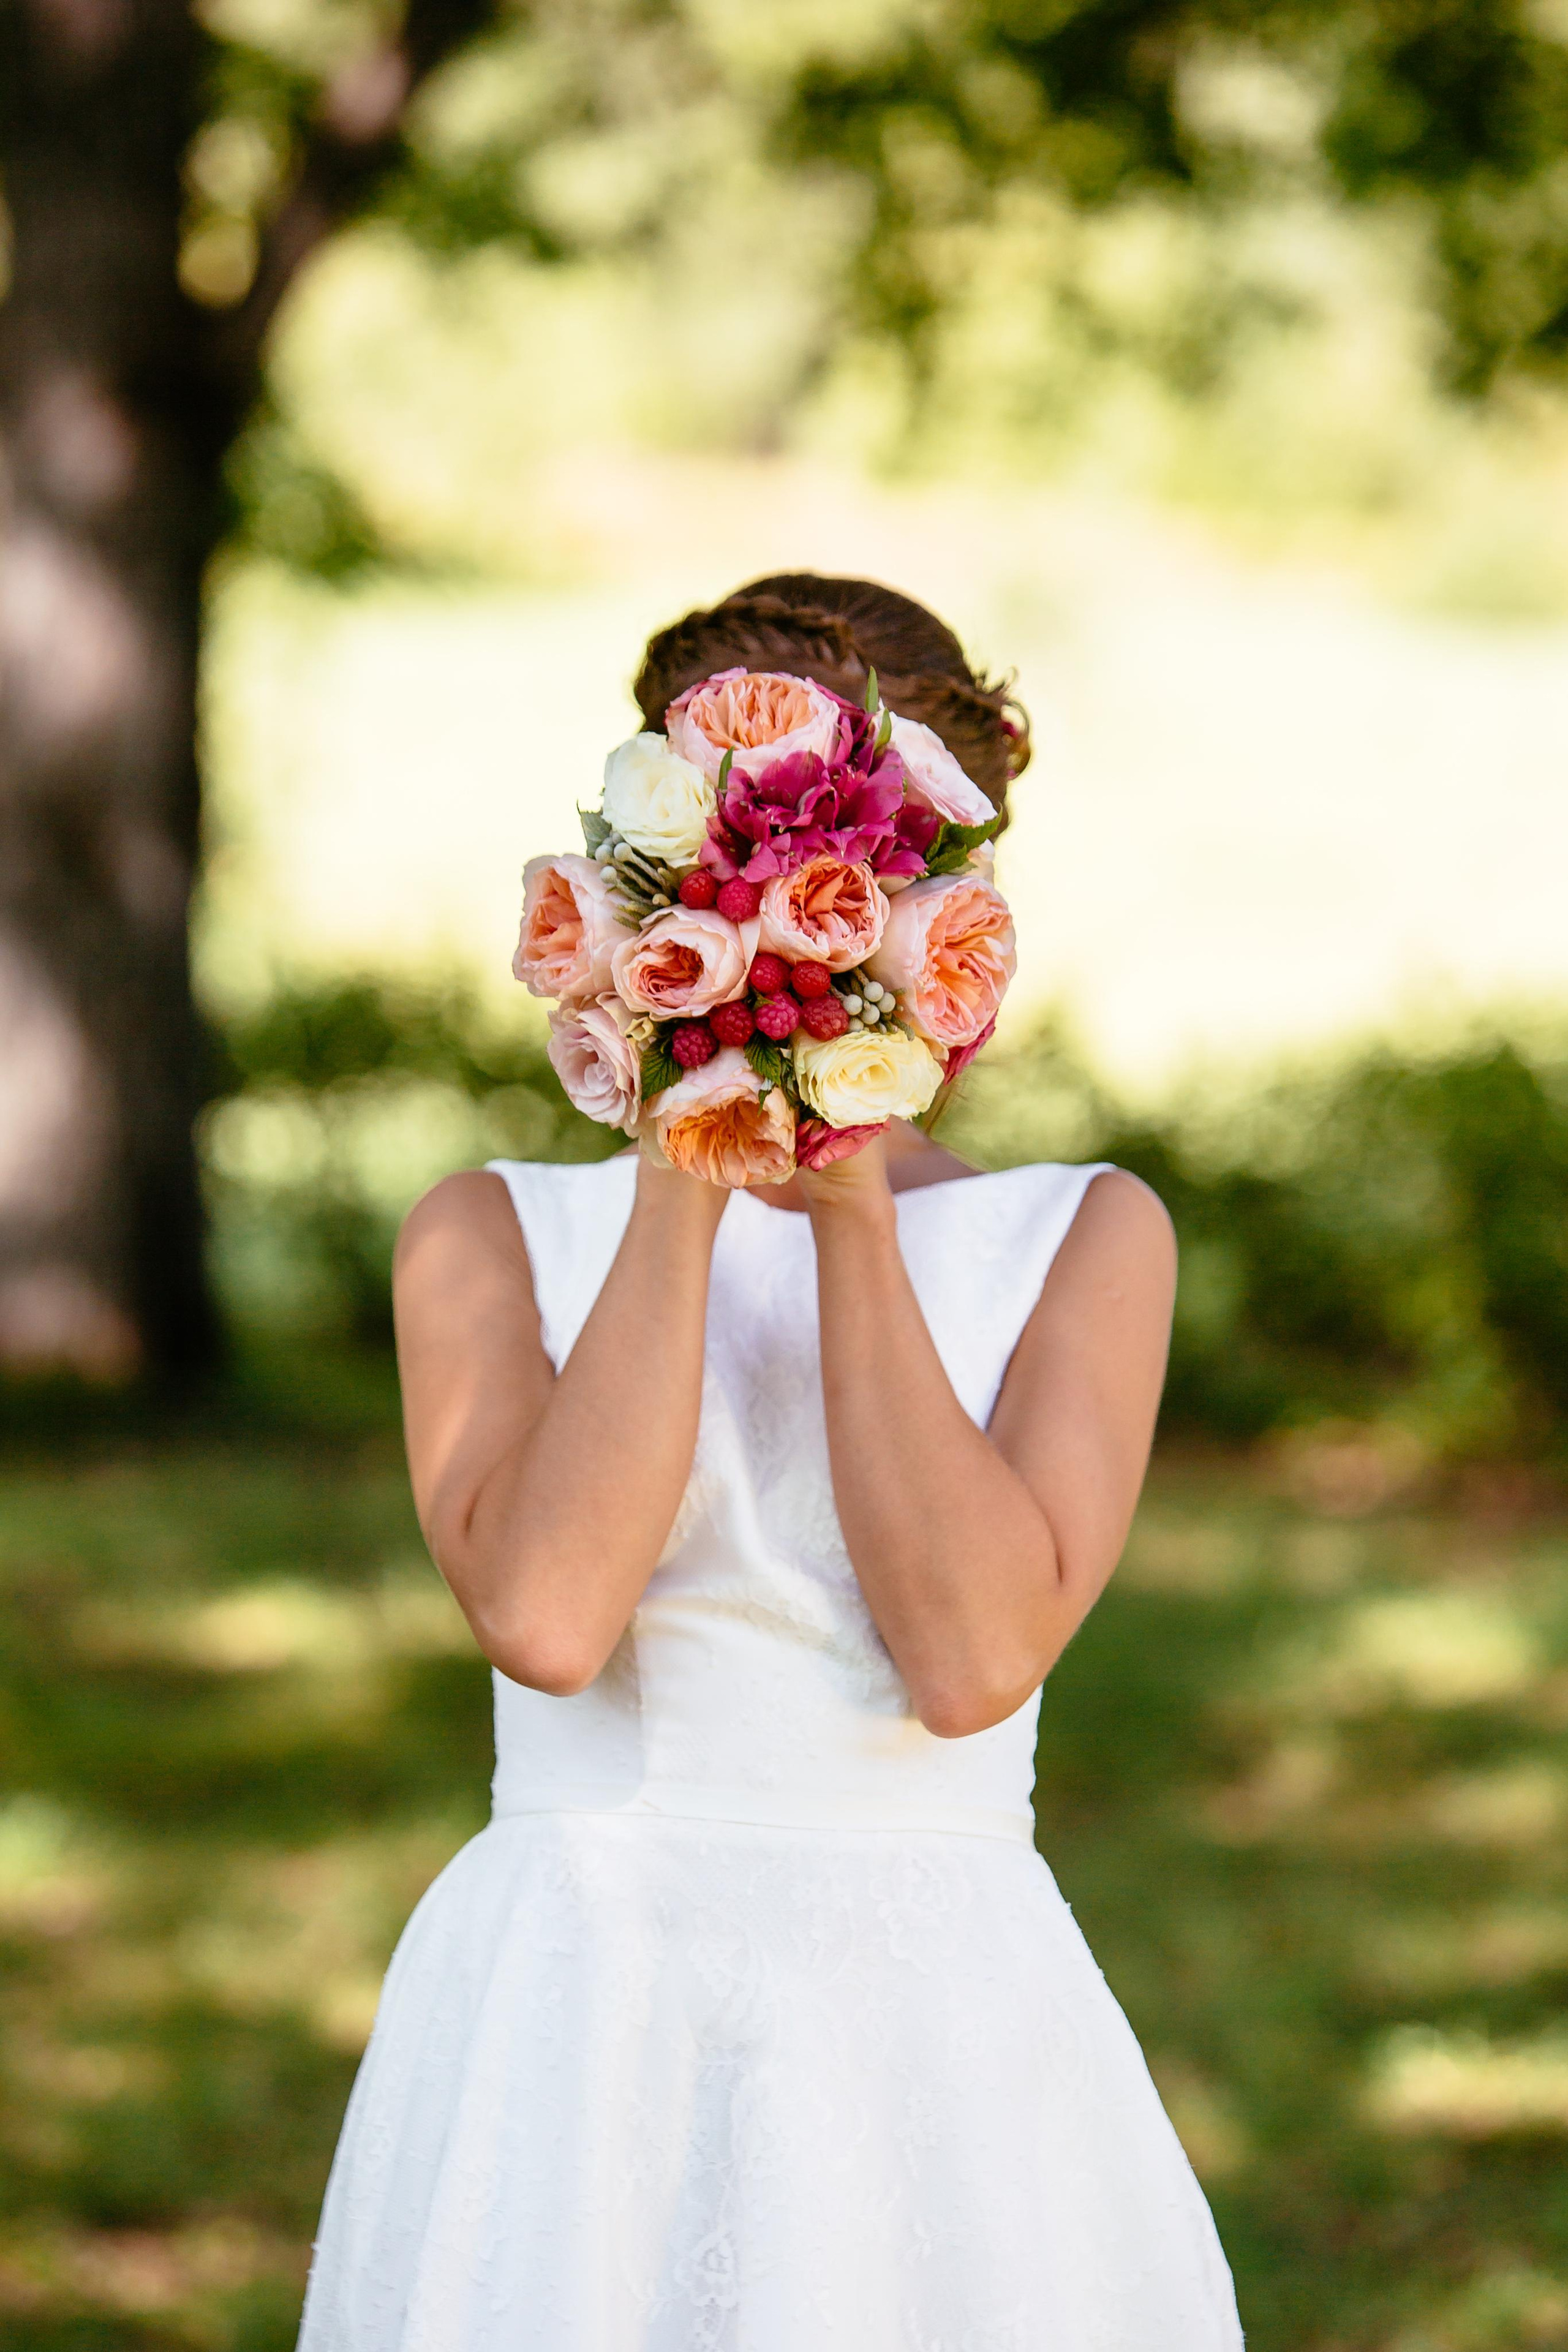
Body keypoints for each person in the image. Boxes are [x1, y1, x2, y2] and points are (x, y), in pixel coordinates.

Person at [296, 575, 1243, 2350]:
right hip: (586, 2015)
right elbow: (555, 1619)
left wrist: (852, 1223)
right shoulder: (487, 1237)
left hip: (928, 2040)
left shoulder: (1085, 1240)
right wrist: (688, 1156)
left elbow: (968, 1660)